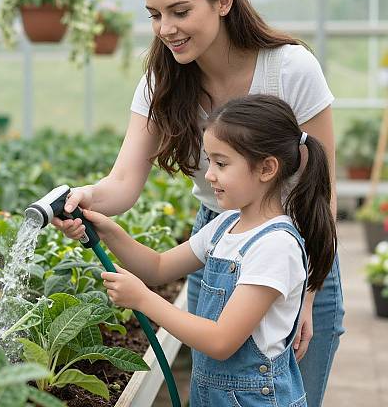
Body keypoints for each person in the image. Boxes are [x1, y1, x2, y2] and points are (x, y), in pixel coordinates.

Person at [53, 0, 344, 406]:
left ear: (224, 0)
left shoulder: (291, 68)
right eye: (154, 14)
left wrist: (307, 292)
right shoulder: (163, 79)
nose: (166, 28)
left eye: (180, 11)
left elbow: (323, 195)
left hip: (301, 243)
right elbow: (123, 183)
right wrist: (83, 200)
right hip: (220, 237)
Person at [65, 95, 337, 406]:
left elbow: (221, 341)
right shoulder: (226, 226)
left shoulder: (275, 246)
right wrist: (106, 230)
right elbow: (157, 267)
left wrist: (142, 299)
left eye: (222, 163)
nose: (209, 175)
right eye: (210, 161)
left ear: (266, 169)